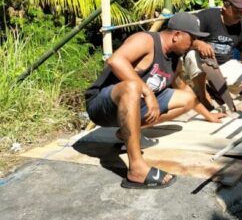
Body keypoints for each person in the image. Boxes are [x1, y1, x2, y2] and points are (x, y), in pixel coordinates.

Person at [84, 12, 226, 190]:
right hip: (102, 105)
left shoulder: (175, 61)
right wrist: (148, 93)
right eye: (192, 39)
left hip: (132, 107)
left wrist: (209, 115)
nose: (193, 44)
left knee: (187, 99)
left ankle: (126, 132)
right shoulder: (146, 40)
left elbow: (184, 91)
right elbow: (115, 60)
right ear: (176, 36)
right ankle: (136, 168)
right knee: (132, 87)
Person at [184, 0, 242, 112]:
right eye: (237, 11)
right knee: (191, 56)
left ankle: (215, 86)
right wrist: (198, 43)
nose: (240, 15)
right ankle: (202, 94)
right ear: (226, 6)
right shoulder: (207, 16)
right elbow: (183, 36)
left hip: (222, 65)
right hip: (202, 63)